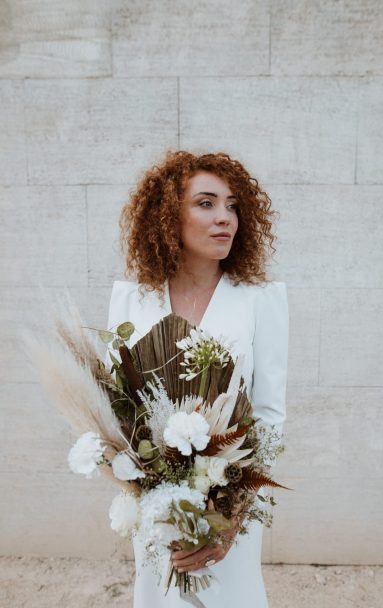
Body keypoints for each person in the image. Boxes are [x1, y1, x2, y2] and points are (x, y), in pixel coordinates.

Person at [105, 150, 289, 607]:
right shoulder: (132, 300)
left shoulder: (260, 301)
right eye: (206, 203)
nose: (224, 217)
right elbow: (118, 410)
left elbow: (267, 415)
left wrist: (228, 519)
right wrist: (148, 492)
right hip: (157, 509)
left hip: (231, 508)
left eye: (231, 205)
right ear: (169, 216)